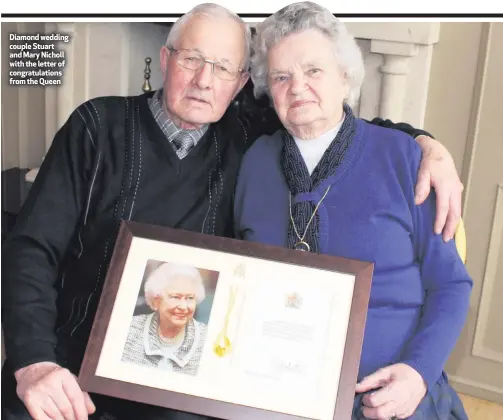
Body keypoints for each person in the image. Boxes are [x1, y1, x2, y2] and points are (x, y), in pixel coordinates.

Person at [1, 3, 464, 420]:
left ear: (240, 84)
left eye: (223, 67)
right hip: (77, 361)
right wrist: (34, 360)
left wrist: (426, 145)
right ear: (166, 61)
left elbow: (337, 125)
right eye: (192, 59)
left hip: (199, 380)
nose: (205, 80)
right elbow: (29, 248)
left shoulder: (253, 142)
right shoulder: (102, 128)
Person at [233, 3, 472, 419]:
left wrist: (417, 374)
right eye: (282, 76)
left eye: (314, 71)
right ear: (268, 91)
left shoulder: (406, 159)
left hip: (389, 393)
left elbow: (451, 285)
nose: (297, 87)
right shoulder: (255, 162)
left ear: (346, 78)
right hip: (276, 387)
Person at [122, 263, 207, 376]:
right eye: (175, 297)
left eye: (190, 298)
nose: (183, 306)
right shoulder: (129, 329)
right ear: (156, 300)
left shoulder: (207, 339)